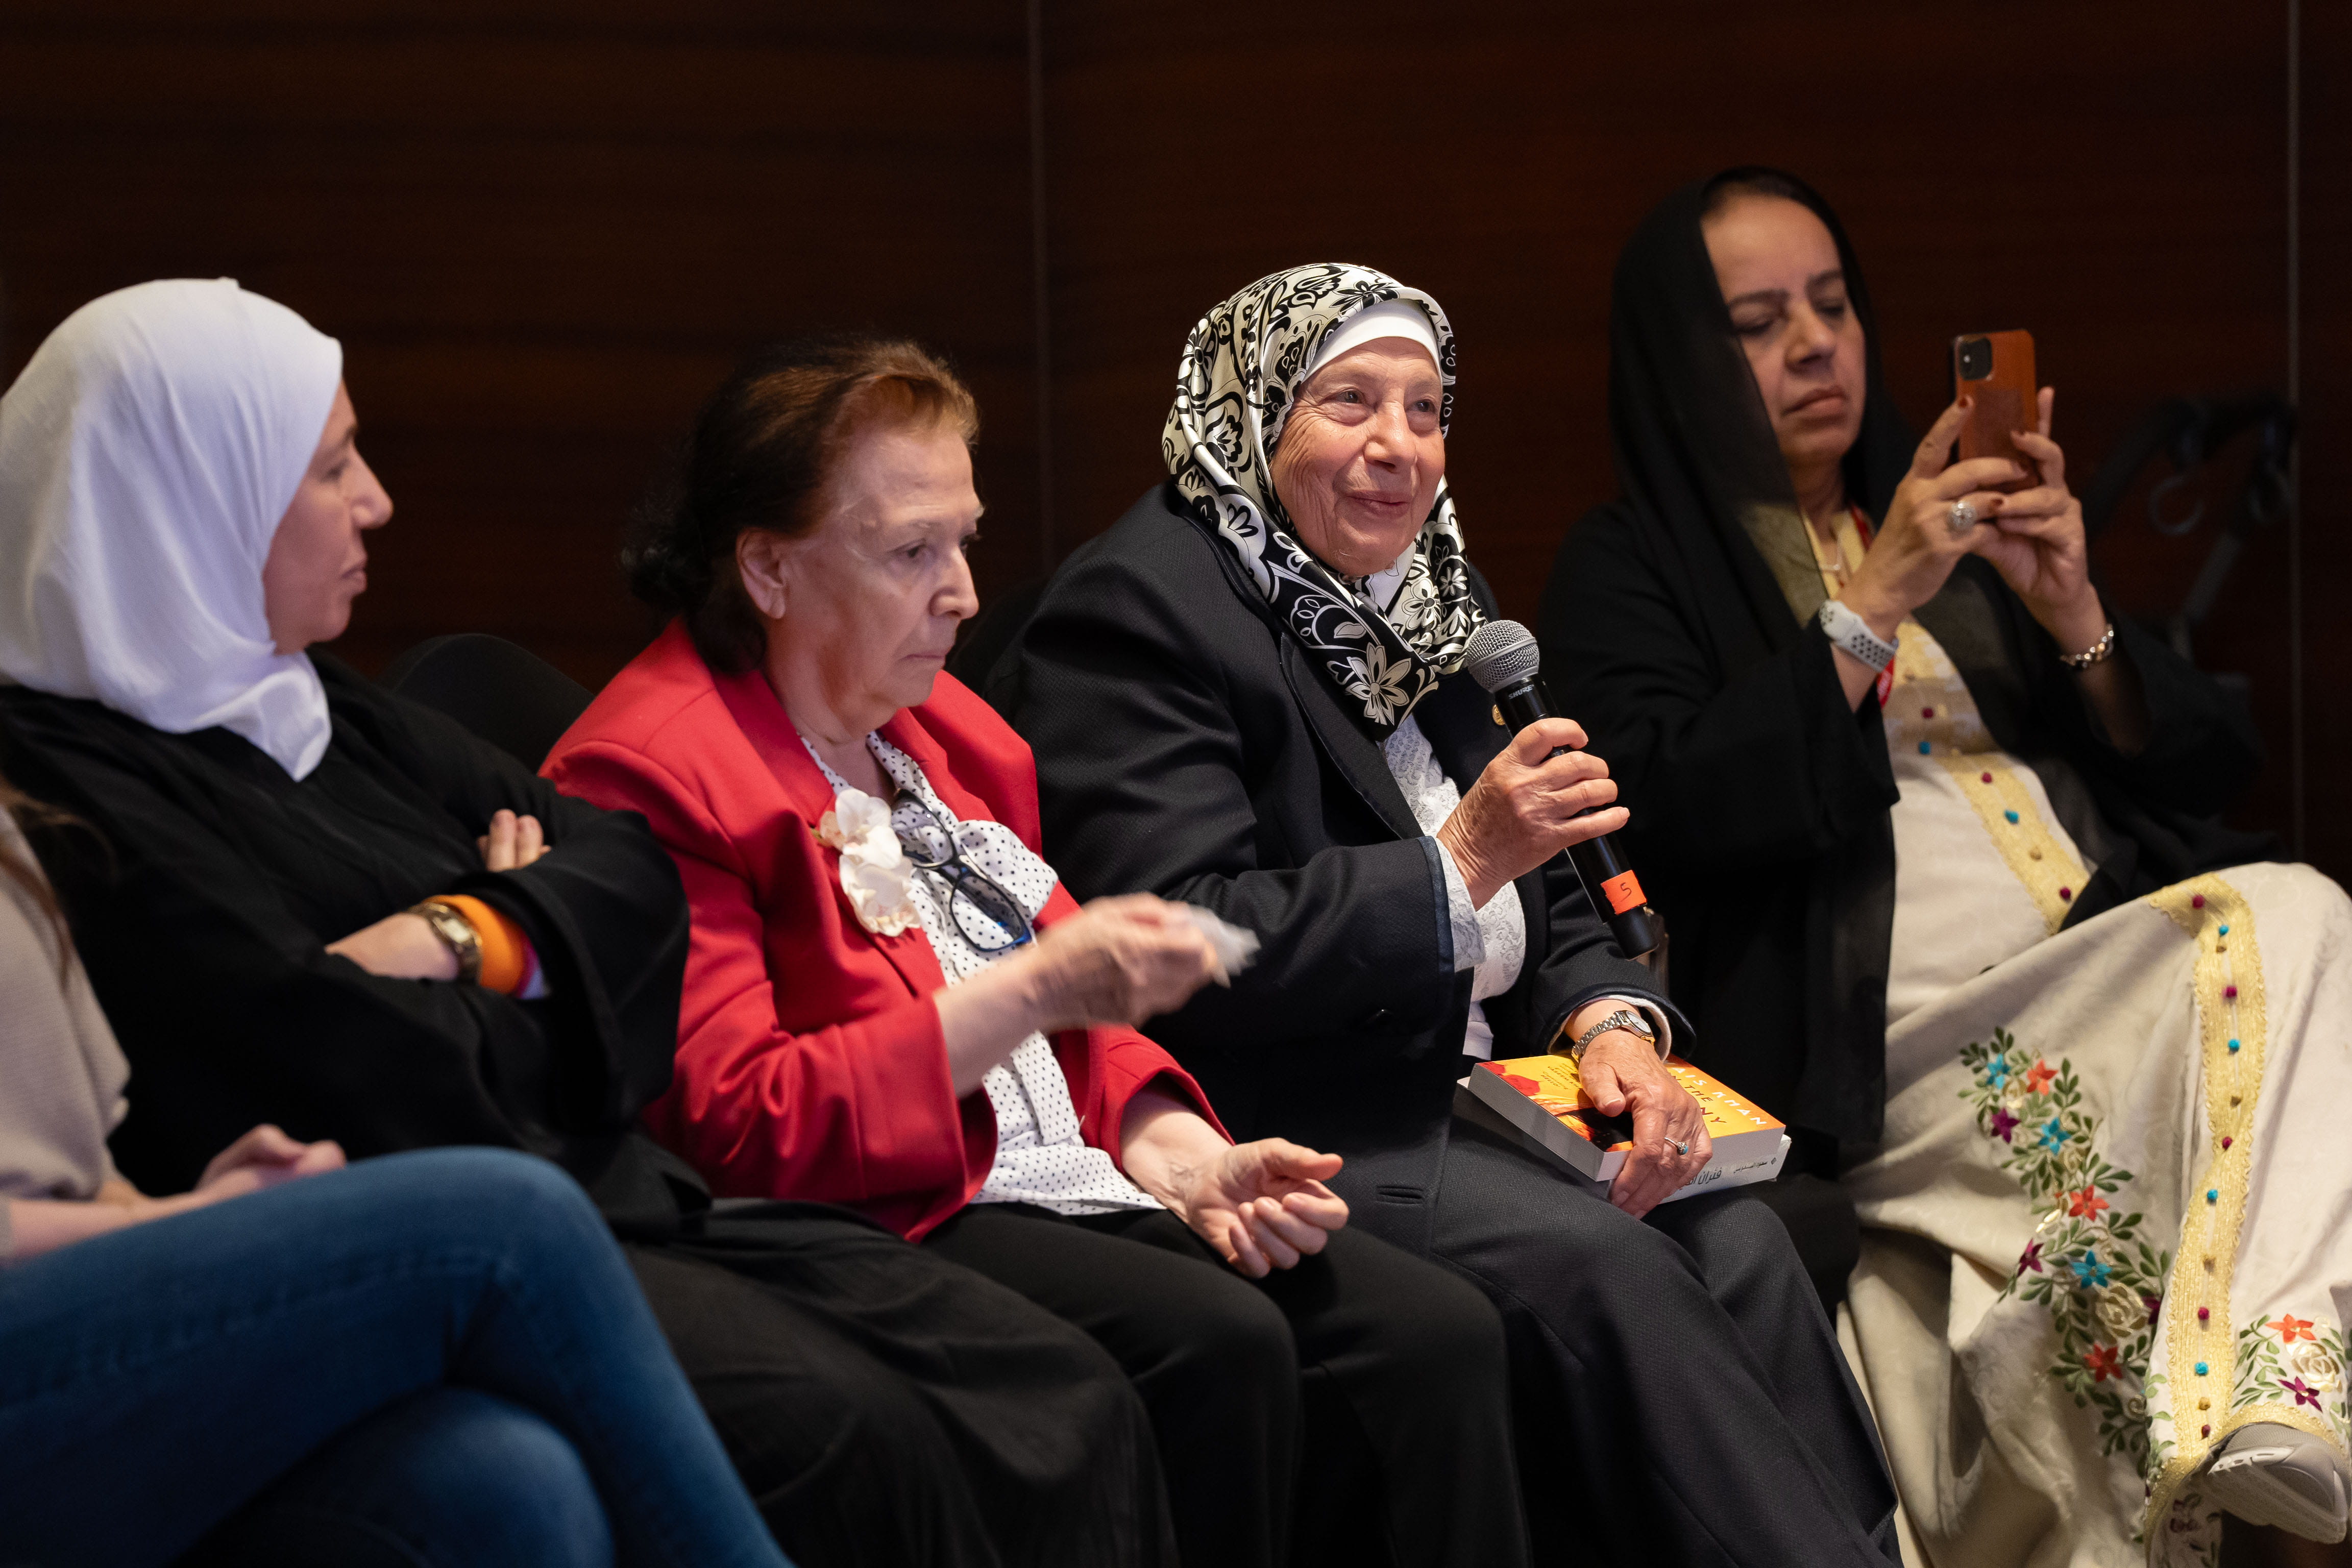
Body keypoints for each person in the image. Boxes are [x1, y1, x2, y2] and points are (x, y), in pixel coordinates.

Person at [0, 279, 1173, 1568]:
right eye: (330, 469)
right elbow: (324, 1056)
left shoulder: (311, 701)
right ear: (189, 506)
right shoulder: (76, 789)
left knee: (1050, 1381)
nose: (376, 500)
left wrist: (462, 939)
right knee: (854, 1426)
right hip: (449, 1224)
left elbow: (618, 877)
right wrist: (532, 950)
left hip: (604, 1186)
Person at [543, 334, 1531, 1568]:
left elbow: (1086, 1015)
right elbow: (747, 1126)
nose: (963, 593)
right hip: (888, 1207)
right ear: (769, 568)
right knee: (1217, 1342)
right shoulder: (650, 772)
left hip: (1069, 1173)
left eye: (965, 541)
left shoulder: (939, 727)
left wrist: (1179, 1153)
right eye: (913, 552)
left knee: (1434, 1336)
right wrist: (1030, 995)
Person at [988, 263, 1901, 1566]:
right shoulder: (1141, 609)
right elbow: (1177, 939)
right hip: (1298, 1109)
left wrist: (1610, 1023)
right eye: (1350, 402)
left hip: (1488, 1094)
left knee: (1747, 1242)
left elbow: (1563, 879)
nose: (1399, 446)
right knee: (1614, 1271)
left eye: (1426, 411)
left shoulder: (1433, 602)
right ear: (1251, 414)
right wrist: (1455, 861)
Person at [1540, 167, 2352, 1564]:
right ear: (1684, 355)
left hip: (2098, 968)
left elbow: (2204, 766)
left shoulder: (1947, 526)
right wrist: (1869, 609)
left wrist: (2074, 610)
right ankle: (2280, 1387)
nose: (1815, 346)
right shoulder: (1630, 565)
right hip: (1882, 1047)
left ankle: (2270, 1411)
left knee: (2288, 917)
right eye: (1759, 323)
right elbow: (1670, 808)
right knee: (2297, 907)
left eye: (1833, 305)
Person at [0, 775, 790, 1568]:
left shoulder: (13, 815)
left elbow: (76, 1158)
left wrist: (169, 1207)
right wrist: (175, 1223)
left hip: (81, 1272)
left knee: (505, 1479)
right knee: (504, 1222)